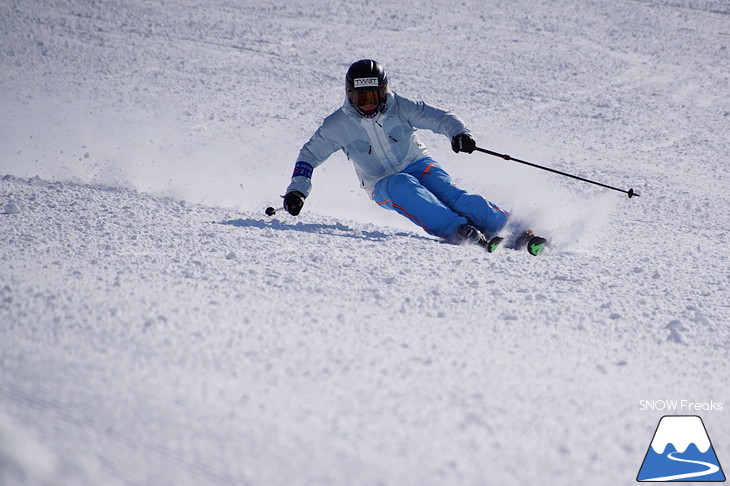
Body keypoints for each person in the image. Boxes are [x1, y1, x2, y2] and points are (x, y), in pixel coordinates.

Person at [282, 59, 545, 255]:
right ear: (349, 95)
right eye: (361, 98)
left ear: (384, 91)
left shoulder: (400, 107)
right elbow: (308, 156)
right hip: (381, 182)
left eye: (374, 96)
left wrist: (459, 134)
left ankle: (516, 231)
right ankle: (459, 230)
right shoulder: (337, 125)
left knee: (455, 198)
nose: (369, 104)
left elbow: (441, 118)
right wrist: (297, 191)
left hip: (419, 164)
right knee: (404, 187)